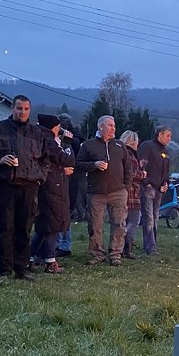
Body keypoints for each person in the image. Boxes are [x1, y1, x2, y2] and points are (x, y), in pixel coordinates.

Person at [0, 94, 56, 281]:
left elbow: (46, 159)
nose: (22, 112)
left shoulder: (37, 134)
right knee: (4, 227)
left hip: (29, 185)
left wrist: (40, 178)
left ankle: (21, 268)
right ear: (12, 108)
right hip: (4, 185)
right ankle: (3, 269)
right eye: (19, 108)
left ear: (30, 110)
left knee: (24, 228)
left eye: (26, 109)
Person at [75, 115, 132, 266]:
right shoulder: (88, 145)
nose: (113, 128)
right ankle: (97, 253)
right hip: (96, 192)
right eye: (110, 125)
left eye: (114, 125)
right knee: (95, 225)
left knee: (119, 224)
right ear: (101, 127)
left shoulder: (120, 146)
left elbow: (128, 168)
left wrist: (126, 188)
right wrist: (94, 165)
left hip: (118, 191)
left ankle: (115, 253)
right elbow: (78, 164)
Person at [30, 114, 76, 274]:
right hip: (51, 186)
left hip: (48, 184)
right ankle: (50, 261)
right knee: (52, 224)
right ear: (53, 127)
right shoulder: (48, 140)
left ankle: (30, 258)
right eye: (58, 127)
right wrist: (67, 143)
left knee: (43, 227)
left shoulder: (40, 138)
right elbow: (67, 159)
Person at [137, 125, 172, 255]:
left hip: (159, 188)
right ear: (160, 134)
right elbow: (141, 165)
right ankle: (150, 246)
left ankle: (152, 243)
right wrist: (146, 182)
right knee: (149, 217)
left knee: (155, 216)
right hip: (149, 187)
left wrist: (166, 183)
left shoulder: (166, 152)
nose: (169, 139)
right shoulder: (147, 146)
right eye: (168, 135)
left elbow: (166, 170)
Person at [56, 113, 82, 256]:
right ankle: (64, 243)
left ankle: (62, 243)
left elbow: (68, 157)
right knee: (65, 210)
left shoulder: (71, 140)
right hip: (73, 177)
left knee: (61, 210)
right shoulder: (78, 138)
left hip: (68, 176)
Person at [119, 130, 146, 259]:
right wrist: (142, 174)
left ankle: (119, 246)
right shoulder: (130, 156)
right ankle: (127, 246)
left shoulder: (119, 153)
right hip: (132, 193)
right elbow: (132, 174)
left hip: (121, 192)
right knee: (133, 221)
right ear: (133, 141)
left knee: (122, 221)